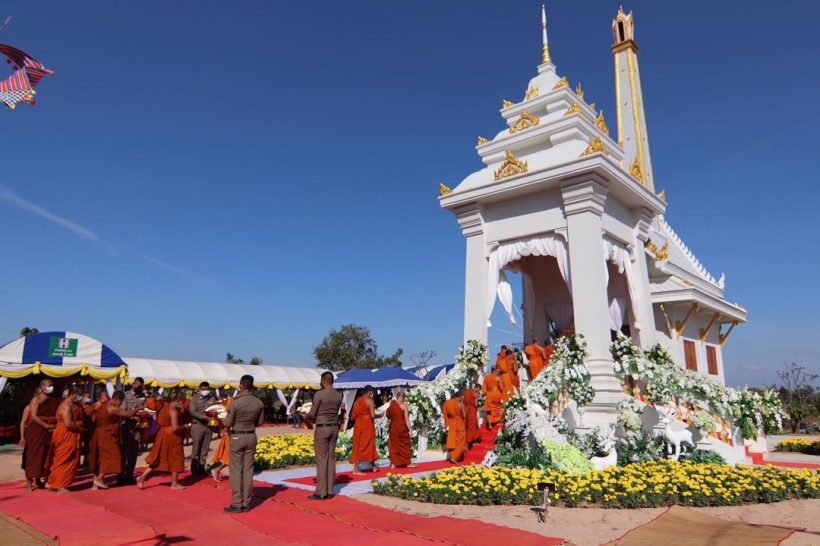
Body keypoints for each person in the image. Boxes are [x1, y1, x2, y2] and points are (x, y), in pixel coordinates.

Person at [222, 374, 265, 513]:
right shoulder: (258, 402)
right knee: (248, 470)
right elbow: (260, 422)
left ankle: (237, 502)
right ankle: (246, 502)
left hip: (237, 436)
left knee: (236, 470)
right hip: (251, 435)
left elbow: (228, 423)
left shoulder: (236, 402)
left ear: (240, 385)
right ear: (252, 386)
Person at [137, 392, 187, 490]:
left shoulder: (165, 407)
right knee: (176, 457)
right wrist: (184, 427)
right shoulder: (173, 410)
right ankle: (174, 483)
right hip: (172, 437)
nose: (183, 403)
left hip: (162, 434)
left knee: (158, 458)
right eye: (183, 401)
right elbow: (175, 428)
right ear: (179, 401)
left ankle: (142, 476)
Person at [89, 391, 137, 490]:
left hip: (100, 433)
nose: (120, 404)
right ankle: (99, 479)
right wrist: (138, 409)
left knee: (101, 458)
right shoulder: (112, 407)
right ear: (117, 399)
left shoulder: (102, 405)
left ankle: (96, 483)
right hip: (107, 434)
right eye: (121, 401)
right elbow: (128, 414)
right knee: (114, 456)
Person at [306, 371, 342, 500]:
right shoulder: (338, 395)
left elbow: (312, 413)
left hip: (323, 427)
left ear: (325, 381)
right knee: (331, 458)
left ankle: (321, 491)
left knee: (322, 458)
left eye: (321, 381)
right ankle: (330, 489)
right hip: (334, 427)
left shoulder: (320, 394)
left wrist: (305, 415)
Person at [45, 385, 85, 494]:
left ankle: (55, 482)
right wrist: (80, 429)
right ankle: (59, 484)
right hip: (65, 433)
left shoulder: (75, 404)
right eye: (79, 395)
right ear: (73, 395)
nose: (81, 397)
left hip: (72, 434)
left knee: (70, 458)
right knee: (63, 459)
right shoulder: (66, 405)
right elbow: (68, 423)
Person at [22, 379, 60, 492]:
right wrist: (45, 425)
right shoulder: (36, 399)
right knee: (32, 456)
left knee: (44, 456)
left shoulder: (53, 400)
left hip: (48, 431)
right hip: (36, 430)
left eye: (52, 385)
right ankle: (29, 482)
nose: (51, 388)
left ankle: (39, 480)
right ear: (42, 387)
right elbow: (33, 416)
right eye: (49, 386)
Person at [119, 377, 146, 485]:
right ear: (133, 384)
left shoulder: (143, 396)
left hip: (137, 428)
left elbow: (144, 408)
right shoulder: (126, 395)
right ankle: (120, 476)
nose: (140, 388)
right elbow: (123, 411)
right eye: (138, 386)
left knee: (133, 453)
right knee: (124, 453)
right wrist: (132, 416)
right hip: (127, 427)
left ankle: (129, 475)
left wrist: (144, 415)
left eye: (141, 387)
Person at [349, 385, 381, 475]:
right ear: (369, 392)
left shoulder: (357, 401)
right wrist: (380, 415)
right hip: (367, 425)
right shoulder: (370, 401)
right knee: (364, 445)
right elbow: (373, 415)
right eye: (372, 392)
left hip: (358, 424)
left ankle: (373, 465)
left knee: (363, 444)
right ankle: (355, 469)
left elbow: (352, 416)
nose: (373, 394)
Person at [189, 381, 216, 476]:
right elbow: (192, 411)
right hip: (198, 425)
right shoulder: (194, 399)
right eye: (203, 389)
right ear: (200, 389)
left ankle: (201, 467)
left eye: (207, 389)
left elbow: (215, 409)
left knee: (205, 448)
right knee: (196, 448)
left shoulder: (212, 398)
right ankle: (194, 468)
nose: (205, 391)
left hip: (208, 426)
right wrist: (203, 417)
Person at [386, 389, 414, 469]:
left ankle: (393, 464)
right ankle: (407, 463)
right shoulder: (404, 406)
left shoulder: (392, 405)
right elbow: (406, 419)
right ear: (403, 397)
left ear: (397, 397)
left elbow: (388, 416)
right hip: (402, 427)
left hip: (394, 427)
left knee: (394, 445)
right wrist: (410, 429)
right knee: (405, 444)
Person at [208, 396, 234, 482]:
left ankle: (218, 471)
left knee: (231, 457)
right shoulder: (224, 413)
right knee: (230, 457)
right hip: (228, 437)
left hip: (232, 436)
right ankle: (217, 470)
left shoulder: (229, 412)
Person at [442, 392, 466, 463]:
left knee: (453, 440)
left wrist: (447, 423)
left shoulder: (447, 403)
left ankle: (452, 455)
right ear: (460, 396)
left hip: (451, 423)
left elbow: (444, 413)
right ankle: (455, 457)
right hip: (459, 423)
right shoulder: (461, 404)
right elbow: (464, 415)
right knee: (461, 441)